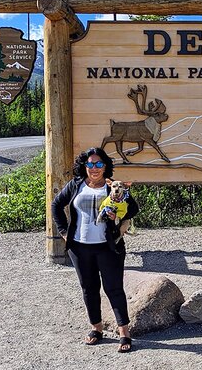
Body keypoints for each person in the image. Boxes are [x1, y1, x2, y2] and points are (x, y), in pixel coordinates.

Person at [51, 147, 138, 353]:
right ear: (85, 166)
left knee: (113, 288)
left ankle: (124, 333)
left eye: (99, 164)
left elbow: (133, 208)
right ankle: (96, 329)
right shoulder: (76, 185)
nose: (94, 168)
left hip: (108, 246)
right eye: (90, 164)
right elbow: (56, 205)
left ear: (105, 166)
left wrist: (120, 220)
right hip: (79, 247)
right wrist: (64, 232)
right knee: (89, 288)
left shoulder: (114, 187)